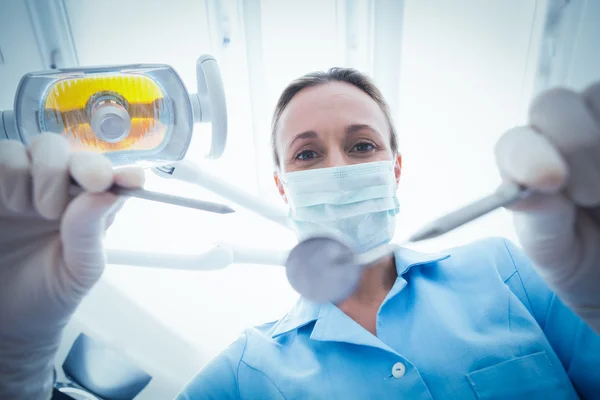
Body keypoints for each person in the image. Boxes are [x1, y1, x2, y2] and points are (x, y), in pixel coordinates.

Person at [0, 68, 599, 400]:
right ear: (283, 187)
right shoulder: (244, 372)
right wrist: (13, 367)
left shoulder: (502, 269)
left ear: (395, 167)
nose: (337, 167)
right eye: (307, 154)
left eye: (362, 145)